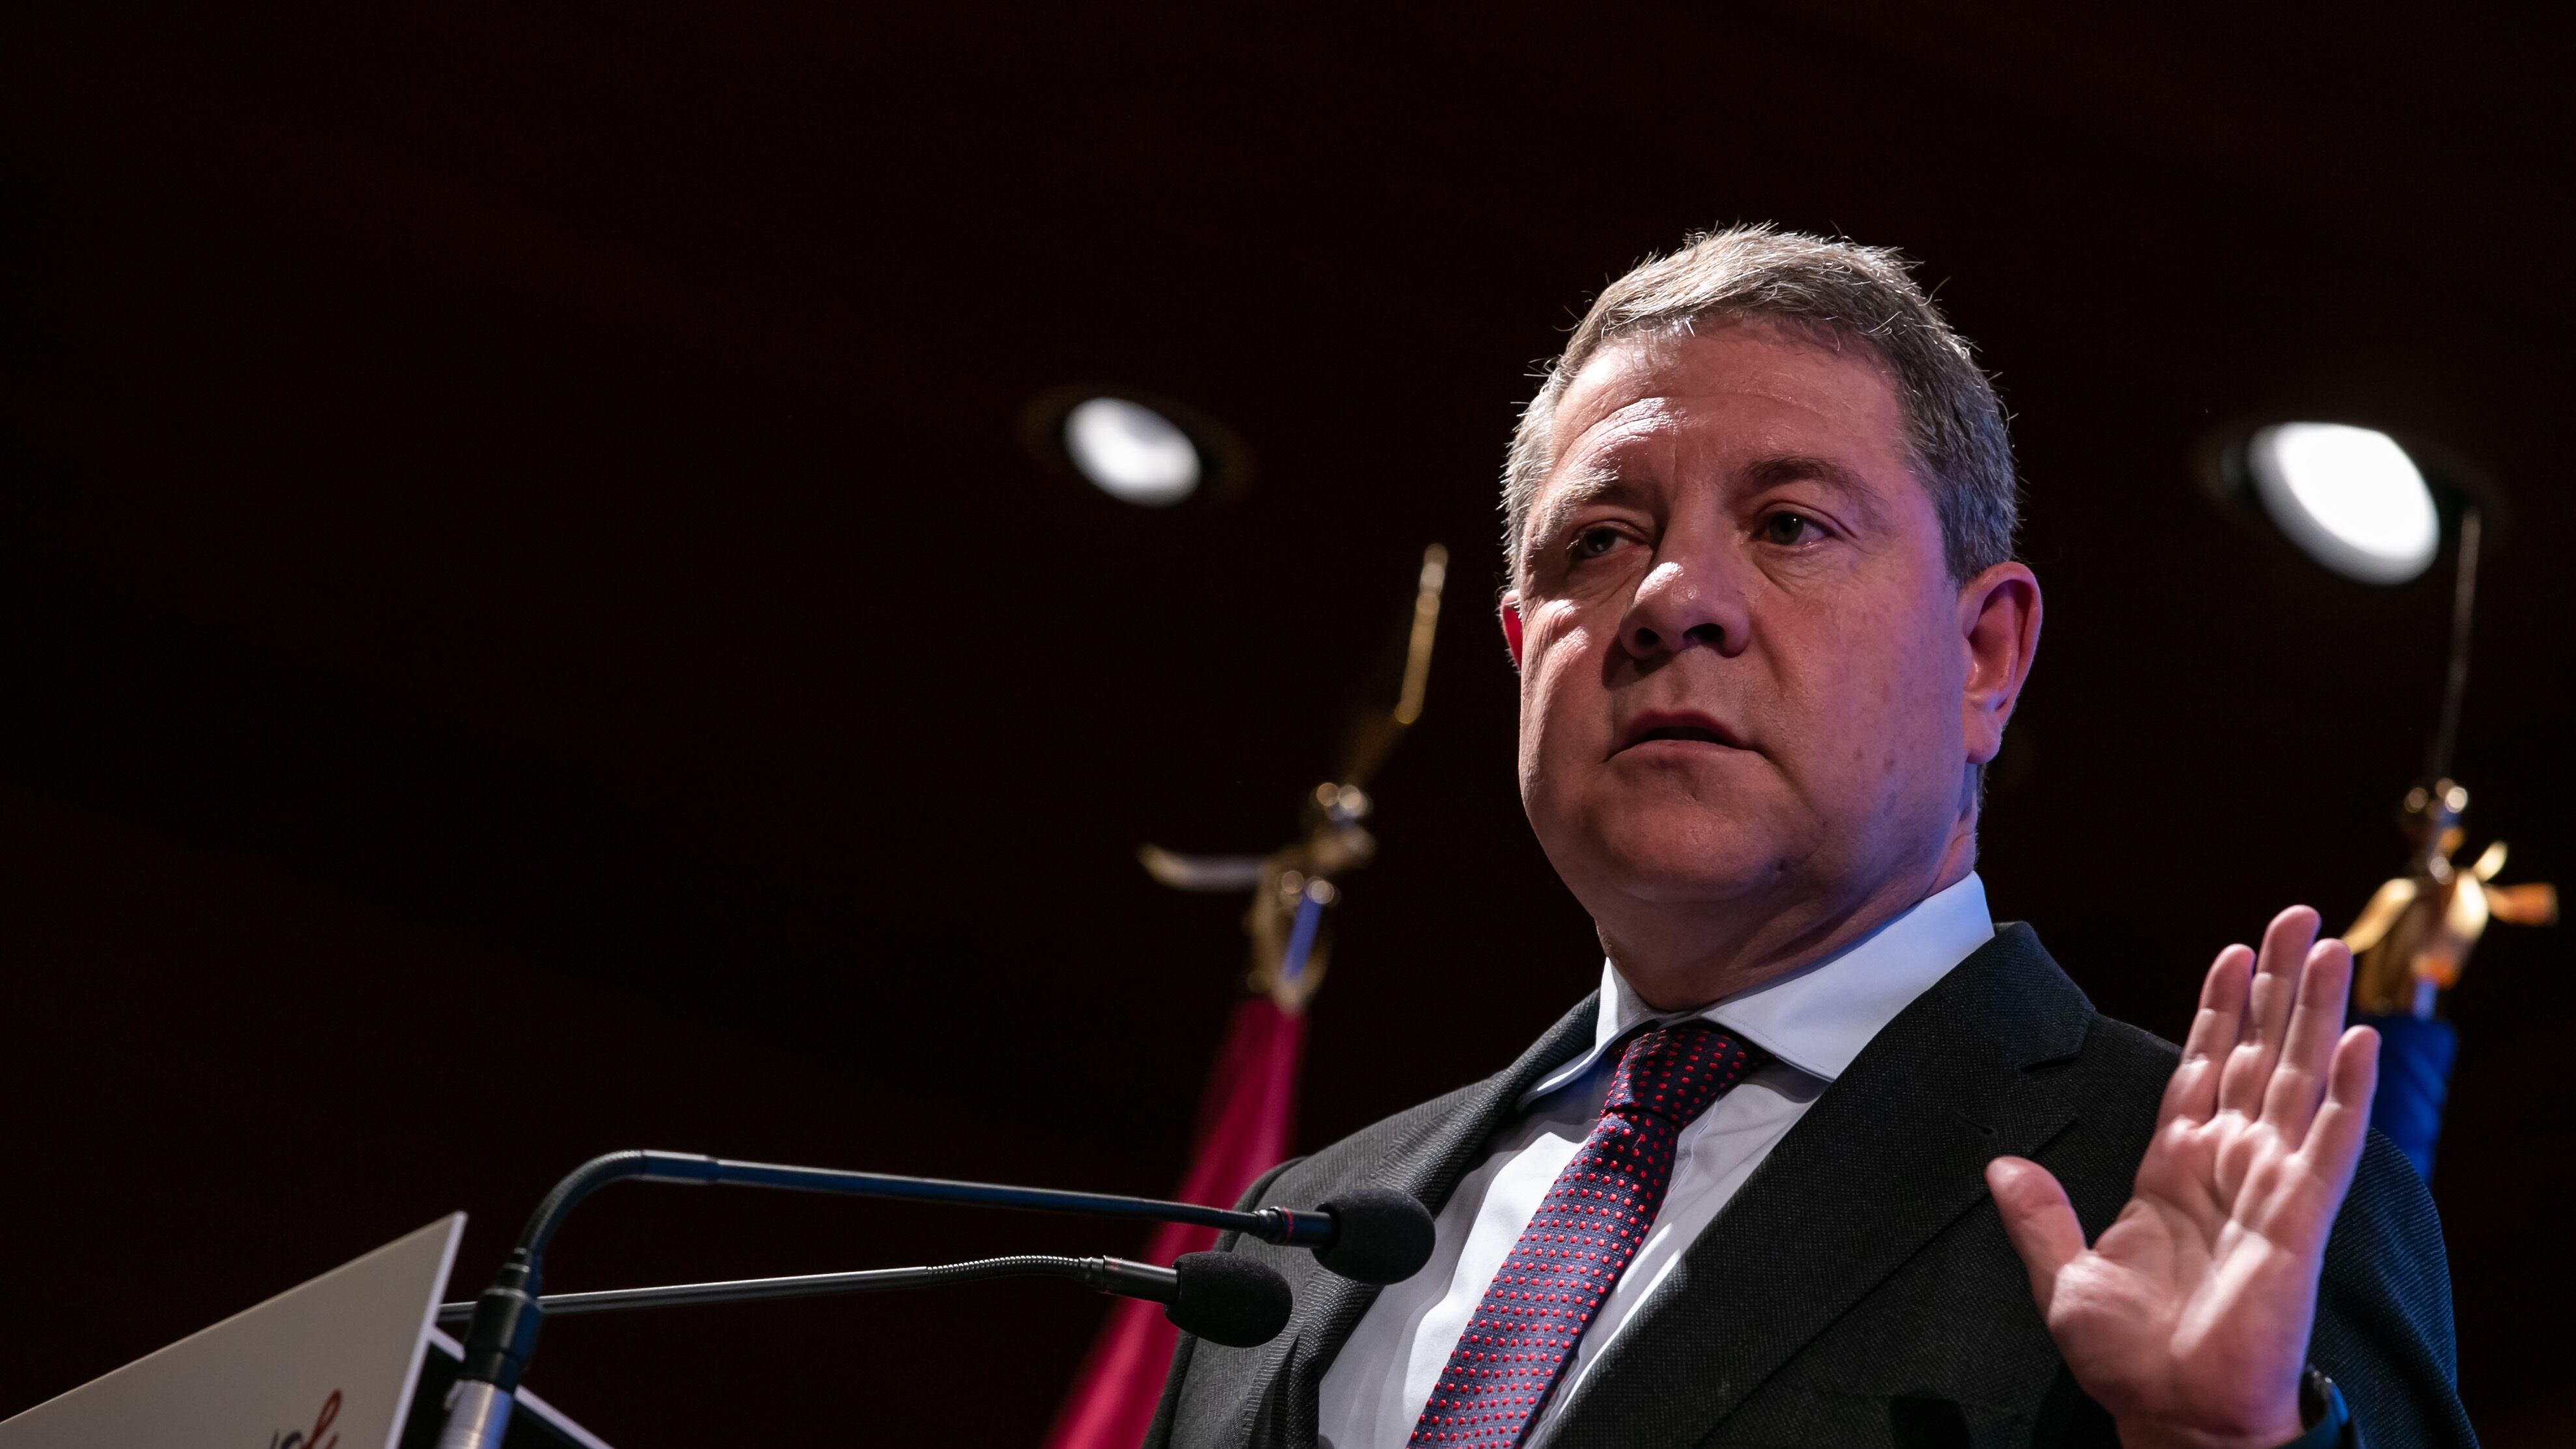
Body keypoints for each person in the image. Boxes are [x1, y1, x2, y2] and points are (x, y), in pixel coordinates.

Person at [1144, 227, 2471, 1449]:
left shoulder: (2223, 1202)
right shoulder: (1288, 1240)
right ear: (1519, 650)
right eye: (1598, 542)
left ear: (1985, 655)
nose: (1670, 597)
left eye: (1790, 524)